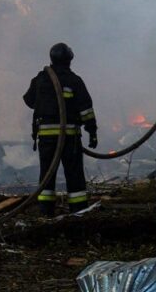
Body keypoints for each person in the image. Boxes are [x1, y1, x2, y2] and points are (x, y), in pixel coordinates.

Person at [23, 42, 98, 216]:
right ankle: (79, 211)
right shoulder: (74, 81)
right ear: (69, 60)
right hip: (69, 138)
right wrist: (92, 132)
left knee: (47, 176)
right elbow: (86, 109)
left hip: (47, 138)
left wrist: (45, 104)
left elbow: (28, 100)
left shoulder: (41, 79)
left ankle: (46, 212)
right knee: (74, 175)